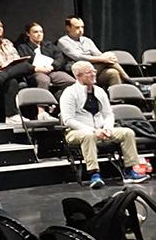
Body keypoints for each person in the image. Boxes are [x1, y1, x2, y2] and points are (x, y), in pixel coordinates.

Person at [59, 61, 150, 189]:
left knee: (127, 132)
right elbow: (68, 120)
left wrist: (107, 128)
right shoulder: (69, 93)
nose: (93, 74)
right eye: (88, 72)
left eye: (93, 71)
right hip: (76, 132)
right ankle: (94, 175)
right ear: (78, 76)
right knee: (88, 135)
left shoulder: (100, 91)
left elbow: (108, 114)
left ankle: (130, 172)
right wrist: (93, 130)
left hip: (101, 129)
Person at [58, 17, 128, 88]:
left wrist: (106, 57)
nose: (81, 30)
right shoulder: (63, 41)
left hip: (95, 69)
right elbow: (78, 57)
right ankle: (128, 80)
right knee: (107, 59)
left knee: (113, 72)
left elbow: (98, 54)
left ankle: (118, 97)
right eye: (77, 27)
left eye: (82, 27)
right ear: (68, 28)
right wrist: (102, 59)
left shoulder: (87, 40)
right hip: (80, 71)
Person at [15, 21, 74, 94]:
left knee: (70, 81)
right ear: (28, 34)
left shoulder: (49, 45)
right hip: (35, 72)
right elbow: (24, 63)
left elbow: (59, 58)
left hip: (51, 70)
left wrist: (52, 66)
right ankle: (42, 104)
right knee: (44, 80)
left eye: (41, 32)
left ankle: (63, 101)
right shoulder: (23, 47)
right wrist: (37, 69)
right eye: (35, 32)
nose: (39, 34)